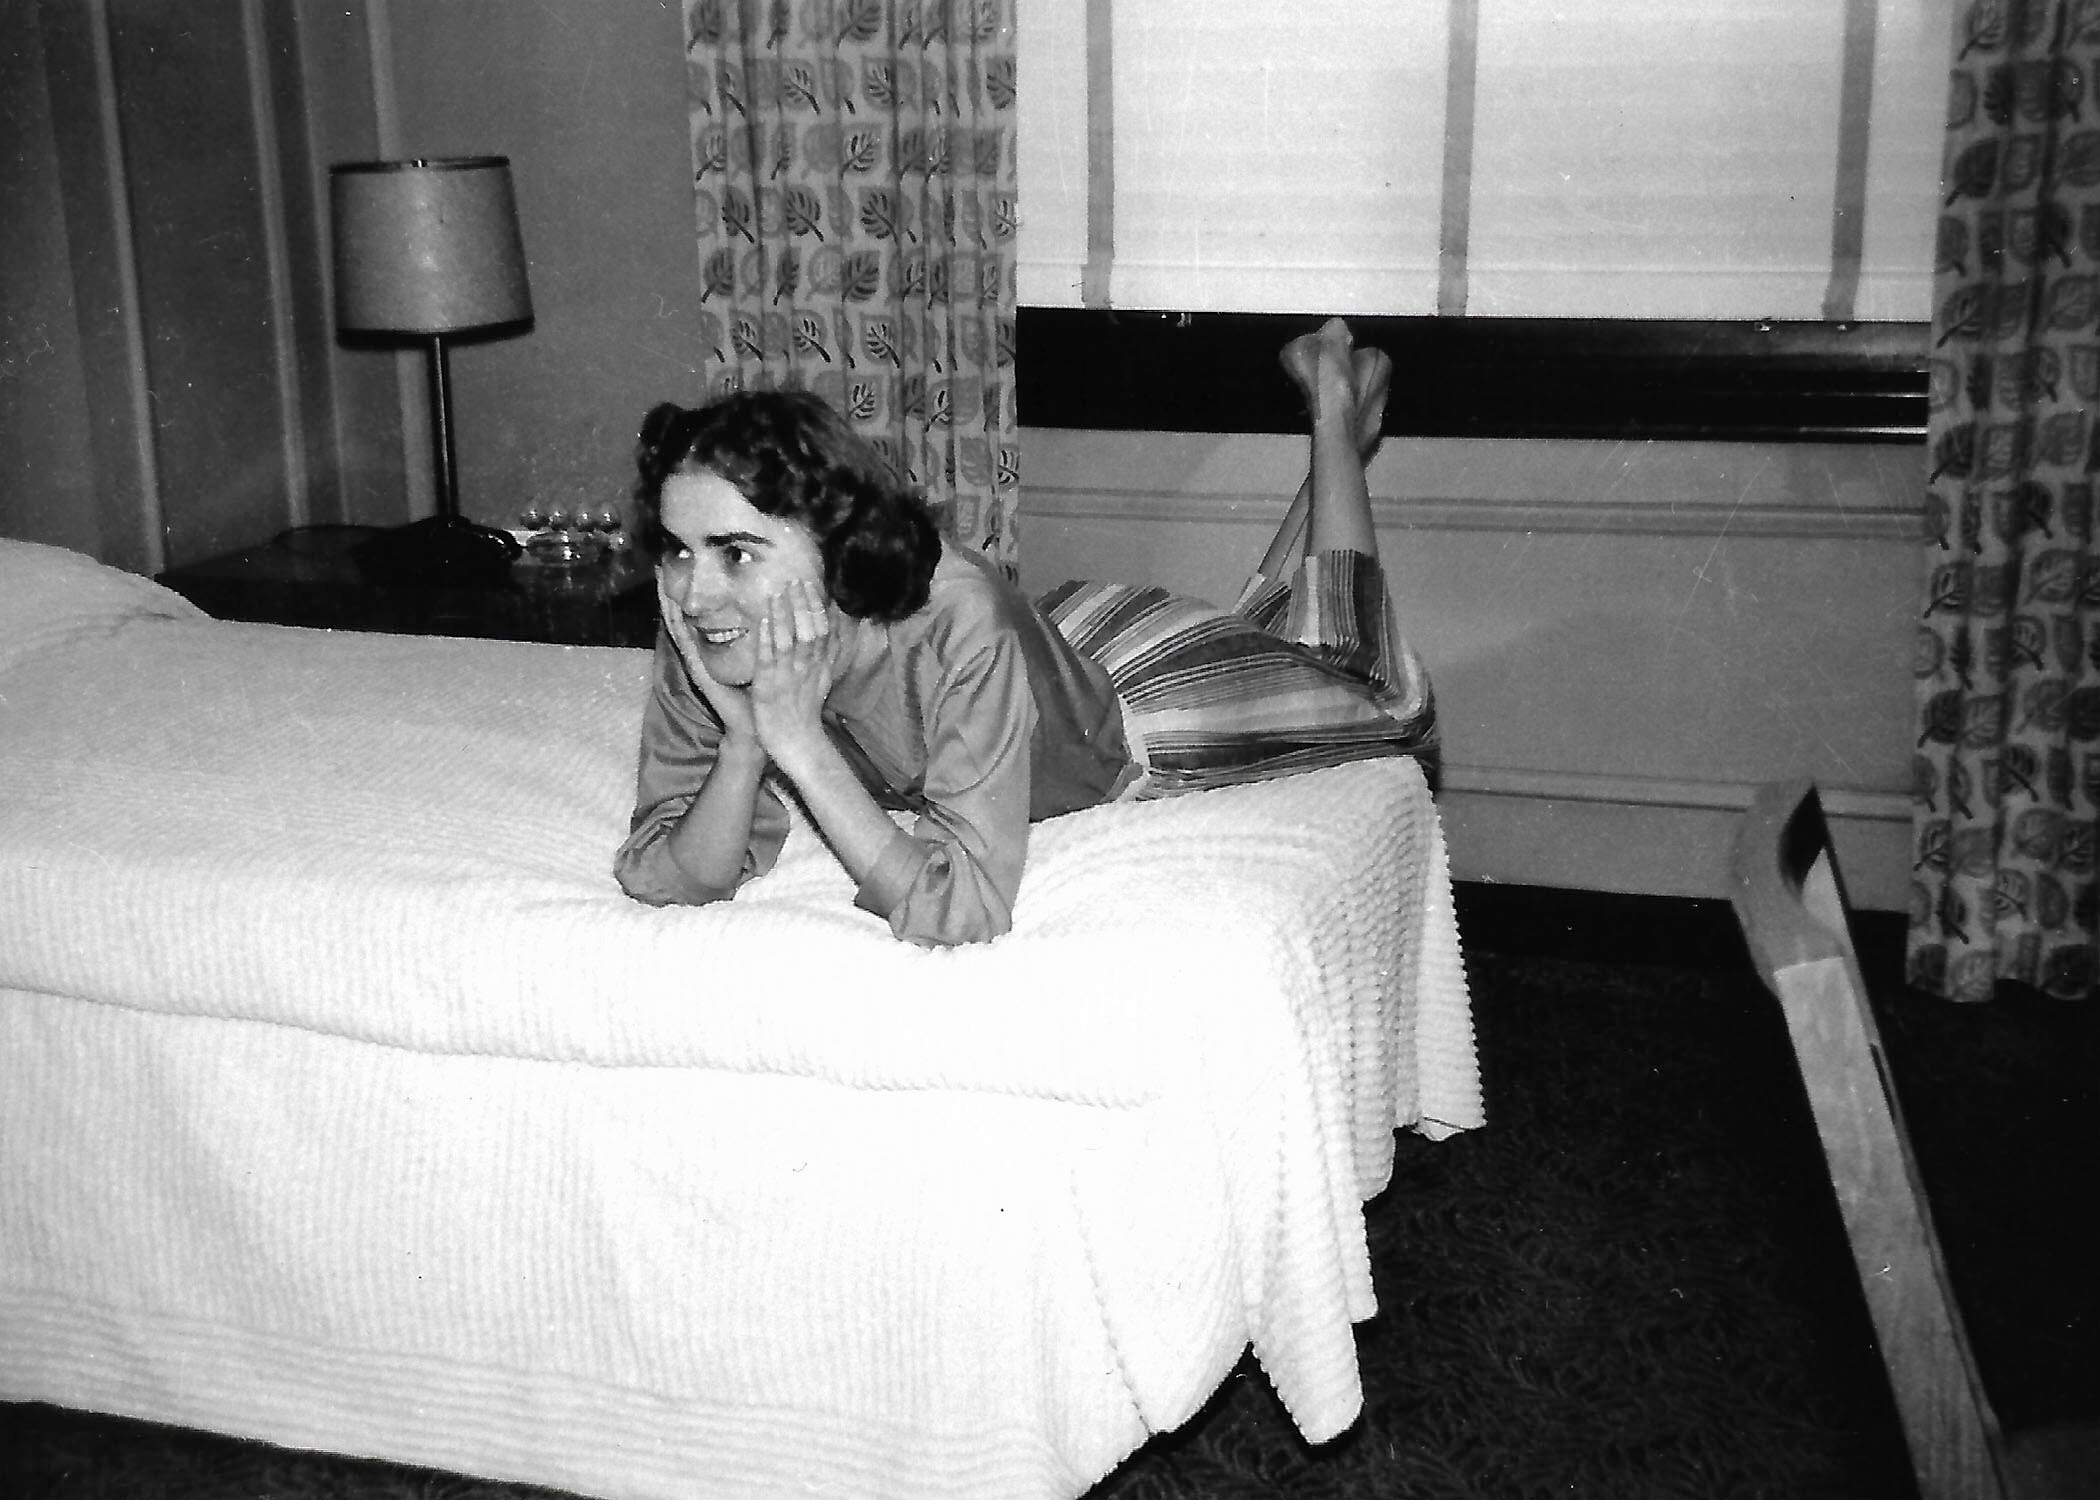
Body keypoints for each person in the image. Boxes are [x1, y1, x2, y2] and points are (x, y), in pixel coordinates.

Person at [613, 317, 1435, 946]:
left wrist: (798, 744)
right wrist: (745, 743)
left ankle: (1334, 410)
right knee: (1268, 638)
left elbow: (963, 909)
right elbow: (668, 874)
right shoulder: (715, 625)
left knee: (1375, 690)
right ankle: (1331, 462)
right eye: (678, 551)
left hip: (1134, 703)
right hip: (1037, 658)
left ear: (833, 545)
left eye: (737, 553)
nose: (695, 591)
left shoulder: (956, 620)